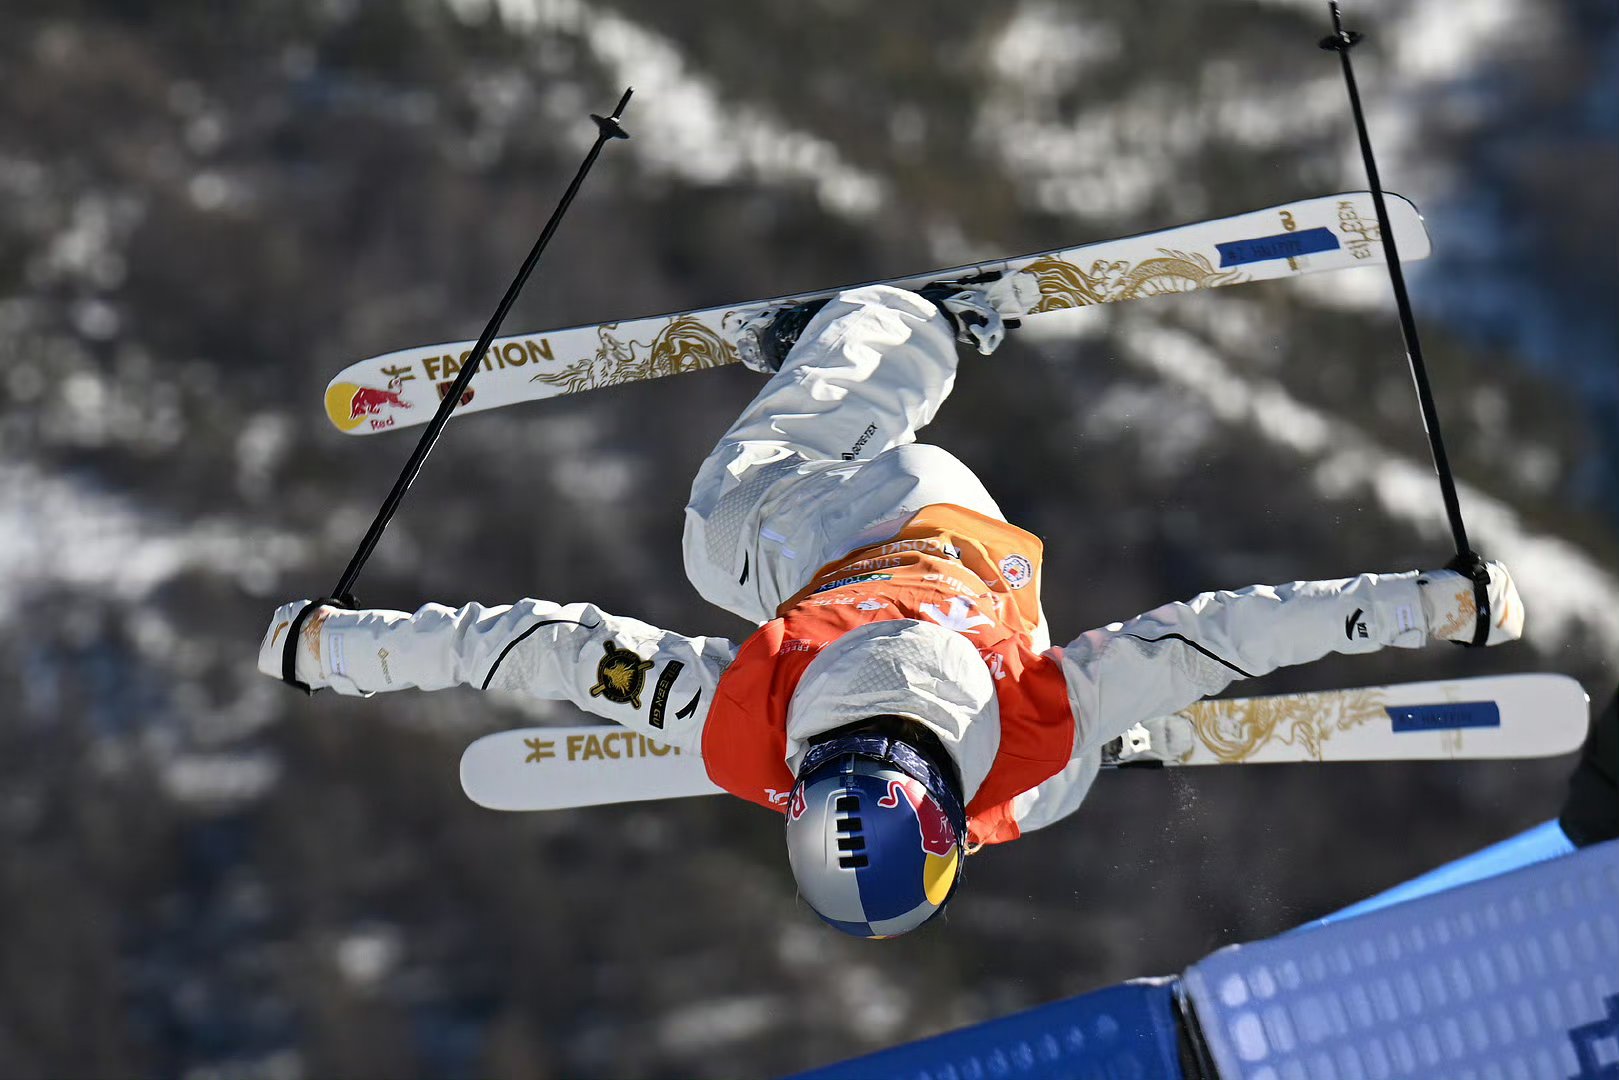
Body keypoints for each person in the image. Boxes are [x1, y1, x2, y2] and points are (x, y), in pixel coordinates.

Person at [259, 280, 1525, 939]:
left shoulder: (1033, 721)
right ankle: (895, 330)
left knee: (1039, 778)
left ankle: (1109, 760)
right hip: (876, 512)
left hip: (983, 594)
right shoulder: (738, 719)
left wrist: (1431, 606)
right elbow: (540, 647)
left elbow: (1229, 634)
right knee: (717, 532)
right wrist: (342, 649)